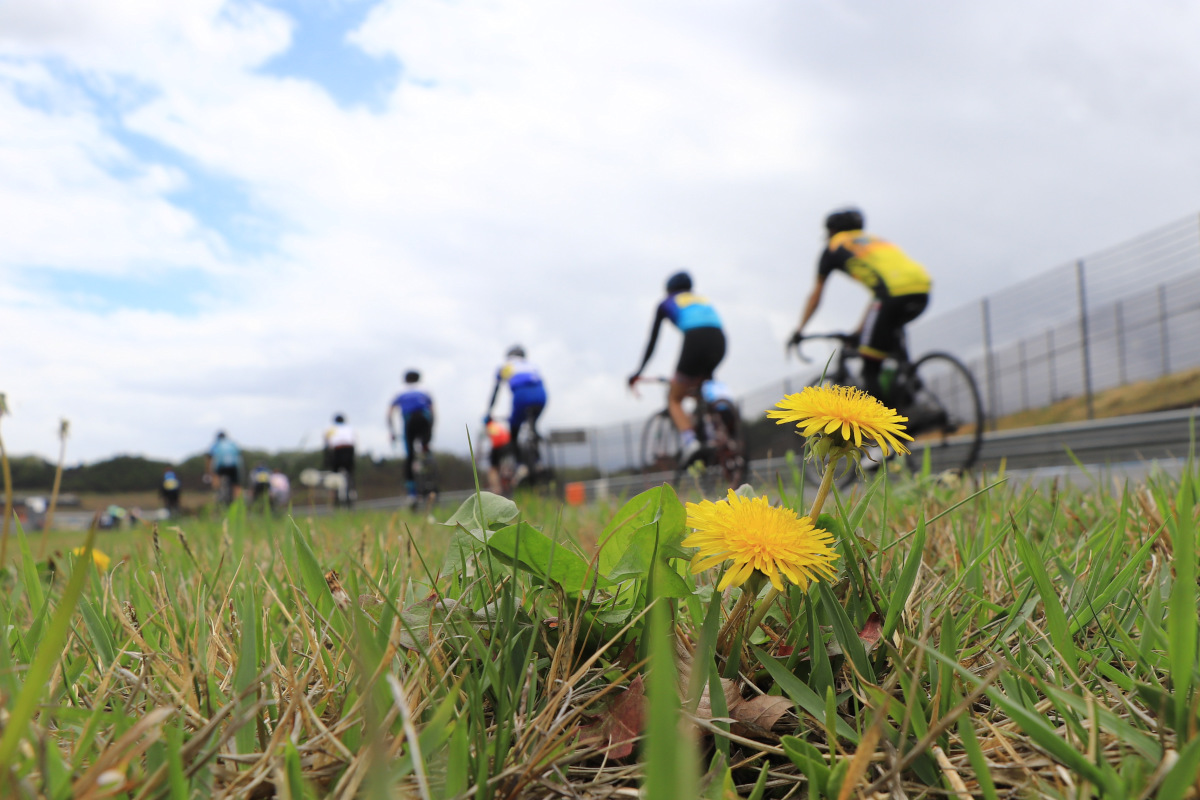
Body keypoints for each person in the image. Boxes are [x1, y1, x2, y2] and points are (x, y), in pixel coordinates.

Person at [789, 208, 932, 403]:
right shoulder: (876, 241)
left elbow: (816, 295)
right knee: (888, 339)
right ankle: (909, 385)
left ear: (831, 231)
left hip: (892, 295)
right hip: (922, 288)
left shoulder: (834, 246)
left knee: (870, 365)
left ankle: (884, 428)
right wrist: (859, 330)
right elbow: (878, 296)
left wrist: (800, 330)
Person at [628, 271, 726, 465]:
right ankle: (716, 433)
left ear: (669, 289)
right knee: (700, 390)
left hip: (695, 340)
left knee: (674, 398)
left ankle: (691, 443)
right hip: (719, 340)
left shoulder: (666, 302)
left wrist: (639, 371)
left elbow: (652, 341)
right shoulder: (701, 299)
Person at [485, 346, 547, 469]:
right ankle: (538, 460)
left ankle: (521, 465)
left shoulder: (506, 366)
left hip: (521, 396)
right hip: (541, 396)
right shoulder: (532, 365)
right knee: (532, 426)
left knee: (514, 433)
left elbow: (496, 391)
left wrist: (489, 410)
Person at [388, 370, 436, 505]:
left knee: (410, 456)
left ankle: (412, 494)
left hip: (409, 422)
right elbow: (433, 412)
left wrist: (392, 431)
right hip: (425, 420)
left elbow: (389, 414)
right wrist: (431, 430)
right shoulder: (425, 390)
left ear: (405, 380)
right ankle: (430, 473)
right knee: (425, 448)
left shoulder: (399, 392)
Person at [323, 413, 357, 508]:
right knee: (350, 475)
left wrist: (326, 460)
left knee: (335, 475)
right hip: (349, 450)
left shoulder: (331, 429)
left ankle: (336, 499)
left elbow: (327, 444)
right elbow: (354, 442)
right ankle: (351, 495)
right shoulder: (349, 428)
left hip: (337, 451)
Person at [205, 431, 243, 502]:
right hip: (234, 466)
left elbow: (209, 458)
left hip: (221, 466)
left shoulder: (216, 444)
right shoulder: (232, 443)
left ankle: (217, 494)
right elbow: (239, 454)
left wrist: (209, 472)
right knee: (236, 484)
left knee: (215, 477)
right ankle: (238, 501)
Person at [485, 418, 513, 494]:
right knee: (504, 467)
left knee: (493, 469)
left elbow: (495, 438)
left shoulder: (490, 427)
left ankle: (496, 489)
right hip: (507, 446)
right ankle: (508, 484)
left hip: (498, 447)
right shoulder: (498, 426)